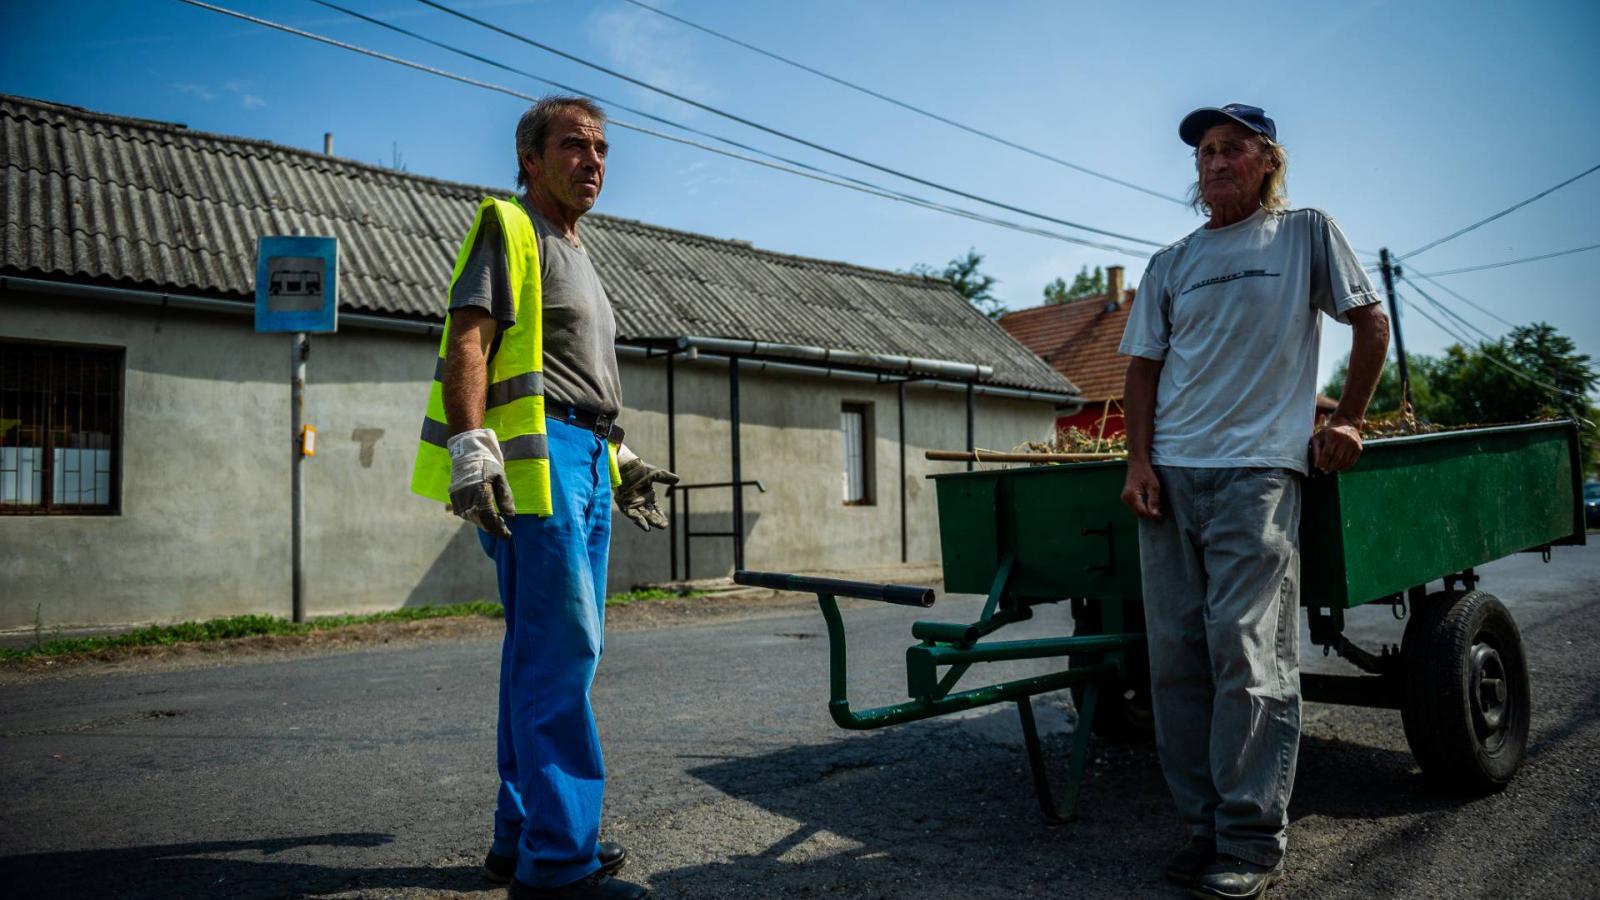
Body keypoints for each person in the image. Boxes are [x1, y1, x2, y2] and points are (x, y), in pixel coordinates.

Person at [1117, 104, 1389, 900]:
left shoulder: (1304, 232)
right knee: (1175, 656)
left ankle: (1247, 838)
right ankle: (1202, 826)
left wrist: (1347, 419)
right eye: (1205, 150)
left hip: (1255, 475)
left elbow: (1368, 324)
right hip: (1171, 477)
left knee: (1245, 651)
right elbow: (1141, 369)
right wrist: (1138, 460)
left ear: (1269, 159)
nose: (1214, 161)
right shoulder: (1172, 261)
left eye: (1233, 148)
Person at [411, 96, 675, 900]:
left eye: (601, 148)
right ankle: (560, 866)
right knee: (564, 655)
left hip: (585, 456)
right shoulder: (510, 226)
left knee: (540, 655)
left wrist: (619, 454)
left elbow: (571, 380)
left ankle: (520, 838)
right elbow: (470, 338)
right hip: (542, 462)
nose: (592, 160)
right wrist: (469, 444)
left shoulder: (579, 253)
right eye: (574, 145)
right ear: (530, 158)